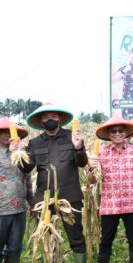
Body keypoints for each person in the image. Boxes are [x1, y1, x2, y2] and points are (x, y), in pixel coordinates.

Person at [18, 103, 88, 263]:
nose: (50, 119)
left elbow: (82, 163)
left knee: (76, 237)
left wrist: (78, 148)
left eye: (54, 116)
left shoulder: (72, 137)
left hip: (70, 198)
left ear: (60, 119)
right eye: (46, 116)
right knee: (45, 238)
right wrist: (18, 153)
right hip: (44, 199)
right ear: (41, 120)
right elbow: (27, 168)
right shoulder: (35, 143)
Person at [88, 116, 133, 263]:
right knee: (106, 241)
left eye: (120, 130)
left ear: (126, 132)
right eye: (113, 131)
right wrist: (92, 169)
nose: (117, 133)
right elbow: (92, 181)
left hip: (131, 204)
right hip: (110, 205)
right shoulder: (101, 154)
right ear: (109, 134)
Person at [0, 118, 33, 263]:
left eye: (10, 132)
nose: (8, 135)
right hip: (1, 209)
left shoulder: (23, 153)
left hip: (19, 209)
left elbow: (28, 179)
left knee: (15, 248)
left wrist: (32, 202)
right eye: (3, 132)